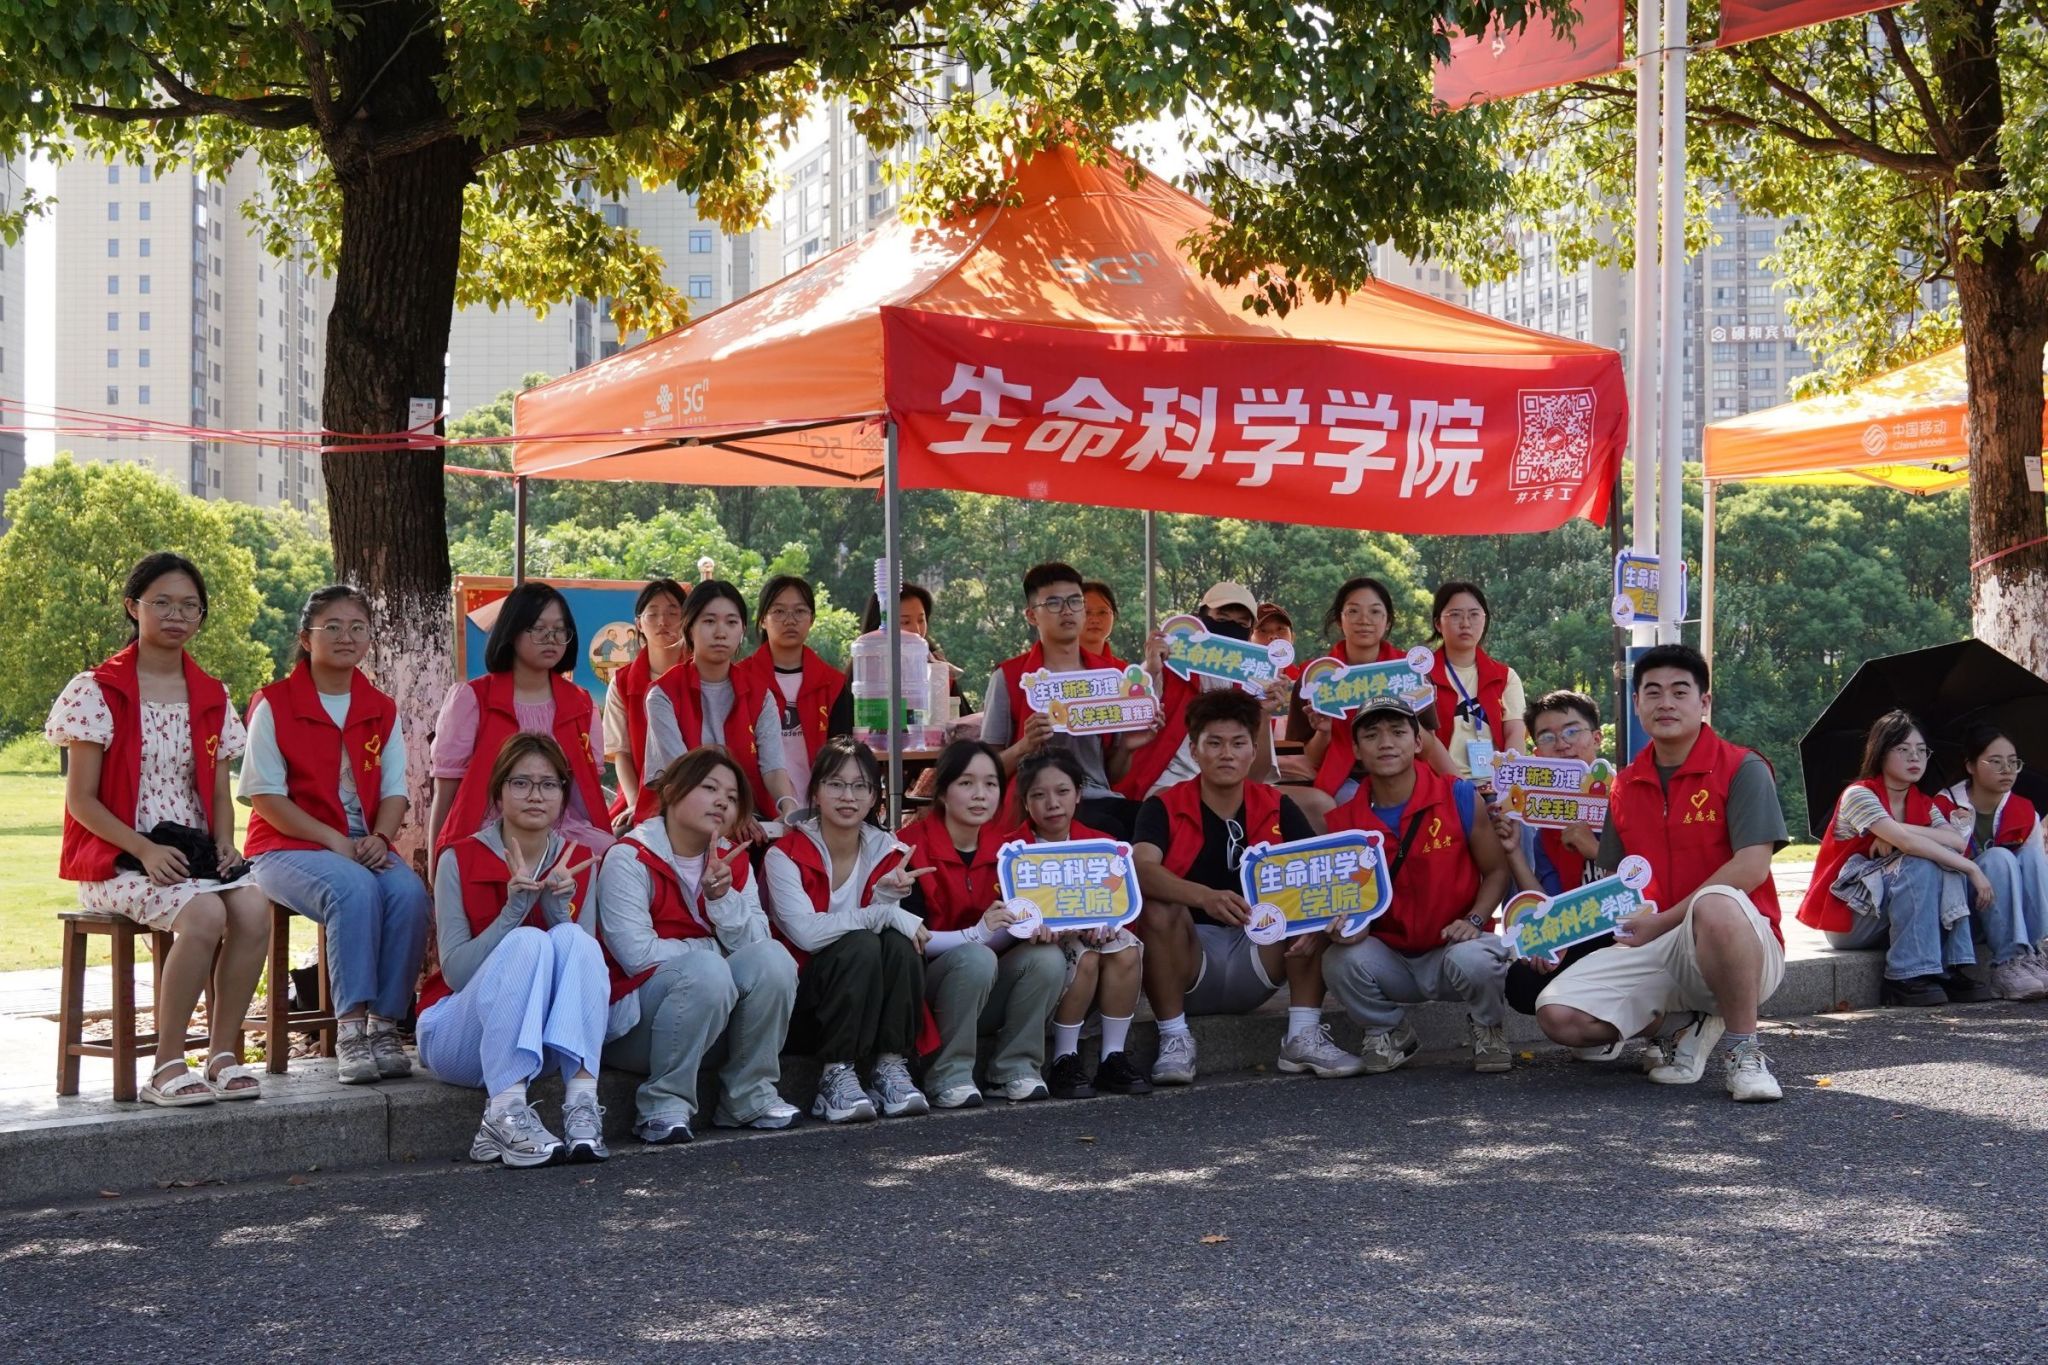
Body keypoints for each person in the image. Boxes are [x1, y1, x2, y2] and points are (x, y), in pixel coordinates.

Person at [48, 552, 269, 1106]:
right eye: (162, 603)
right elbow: (81, 800)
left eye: (190, 606)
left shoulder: (211, 694)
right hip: (118, 857)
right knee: (206, 913)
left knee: (253, 907)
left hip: (191, 852)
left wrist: (225, 843)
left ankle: (221, 1055)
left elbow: (217, 793)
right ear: (134, 607)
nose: (177, 615)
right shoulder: (98, 690)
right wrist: (144, 849)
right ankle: (166, 1066)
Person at [1533, 645, 1790, 1103]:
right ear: (1636, 704)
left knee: (1716, 902)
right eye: (1652, 692)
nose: (1665, 703)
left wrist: (1665, 920)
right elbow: (1618, 881)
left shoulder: (1742, 768)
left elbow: (1751, 868)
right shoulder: (1625, 784)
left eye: (1679, 691)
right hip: (1659, 944)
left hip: (1739, 941)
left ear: (1704, 702)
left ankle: (1743, 1051)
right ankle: (1684, 1025)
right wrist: (1550, 932)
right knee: (1558, 1014)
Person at [241, 585, 431, 1085]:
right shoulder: (274, 704)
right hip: (284, 846)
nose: (346, 636)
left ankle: (384, 1026)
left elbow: (394, 791)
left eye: (357, 627)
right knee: (352, 888)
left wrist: (381, 838)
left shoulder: (379, 707)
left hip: (361, 844)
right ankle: (350, 1030)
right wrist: (334, 841)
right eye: (333, 627)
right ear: (306, 638)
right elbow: (265, 797)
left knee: (409, 893)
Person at [1131, 688, 1364, 1086]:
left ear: (1254, 751)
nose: (1227, 754)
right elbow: (1139, 869)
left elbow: (1319, 874)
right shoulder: (1163, 805)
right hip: (1190, 961)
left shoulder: (1277, 804)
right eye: (1214, 743)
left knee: (1311, 896)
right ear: (1194, 749)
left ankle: (1303, 1034)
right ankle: (1174, 1038)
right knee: (1158, 904)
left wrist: (1315, 920)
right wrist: (1203, 896)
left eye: (1238, 743)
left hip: (1261, 954)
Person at [416, 734, 610, 1166]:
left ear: (563, 795)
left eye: (549, 784)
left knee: (576, 940)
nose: (536, 795)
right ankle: (503, 1112)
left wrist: (557, 912)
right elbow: (456, 975)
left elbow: (579, 979)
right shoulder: (458, 858)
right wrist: (512, 914)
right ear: (499, 793)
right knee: (528, 939)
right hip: (457, 1036)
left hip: (538, 1043)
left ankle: (581, 1105)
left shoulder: (578, 861)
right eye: (521, 783)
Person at [599, 747, 800, 1143]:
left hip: (713, 1024)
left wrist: (722, 901)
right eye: (709, 788)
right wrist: (714, 953)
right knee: (708, 969)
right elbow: (638, 956)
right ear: (672, 791)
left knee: (774, 959)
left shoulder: (733, 859)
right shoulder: (629, 857)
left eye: (732, 796)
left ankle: (748, 1096)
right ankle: (662, 1105)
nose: (722, 801)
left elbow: (758, 946)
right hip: (636, 1030)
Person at [1324, 699, 1514, 1073]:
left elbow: (1496, 871)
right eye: (1372, 735)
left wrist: (1475, 920)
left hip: (1455, 948)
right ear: (1356, 750)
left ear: (1417, 742)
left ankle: (1488, 1026)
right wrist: (1347, 927)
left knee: (1476, 960)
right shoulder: (1342, 823)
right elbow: (1344, 902)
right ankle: (1390, 1031)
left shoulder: (1458, 796)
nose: (1386, 743)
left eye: (1398, 732)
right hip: (1391, 957)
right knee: (1338, 960)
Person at [763, 738, 934, 1123]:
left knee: (898, 943)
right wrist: (881, 913)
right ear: (815, 791)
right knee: (861, 944)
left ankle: (890, 1066)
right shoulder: (784, 855)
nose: (848, 796)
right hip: (804, 1002)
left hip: (869, 1003)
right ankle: (834, 1075)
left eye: (860, 786)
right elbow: (806, 934)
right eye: (836, 784)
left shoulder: (889, 851)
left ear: (874, 797)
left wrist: (886, 903)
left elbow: (900, 933)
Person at [899, 741, 1067, 1106]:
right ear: (941, 792)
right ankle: (948, 1074)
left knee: (1048, 957)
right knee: (976, 956)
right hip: (924, 994)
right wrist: (976, 935)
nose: (980, 795)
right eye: (966, 783)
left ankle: (1013, 1068)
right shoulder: (907, 848)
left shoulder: (1012, 852)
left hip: (984, 987)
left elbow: (1012, 928)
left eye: (991, 784)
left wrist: (1032, 927)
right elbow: (908, 937)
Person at [1796, 712, 1994, 1003]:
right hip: (1852, 919)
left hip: (1895, 914)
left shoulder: (1924, 803)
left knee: (1943, 859)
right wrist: (1972, 869)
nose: (1915, 757)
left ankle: (1951, 966)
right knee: (1922, 862)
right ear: (1880, 753)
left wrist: (1896, 829)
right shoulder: (1859, 795)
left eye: (1922, 750)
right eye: (1903, 749)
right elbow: (1908, 845)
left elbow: (1955, 840)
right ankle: (1904, 976)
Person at [429, 581, 611, 855]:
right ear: (512, 631)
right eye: (538, 629)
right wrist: (436, 863)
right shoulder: (473, 699)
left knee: (611, 854)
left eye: (560, 630)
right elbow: (446, 790)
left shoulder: (581, 704)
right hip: (490, 835)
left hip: (561, 831)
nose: (551, 638)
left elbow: (584, 792)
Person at [1011, 750, 1151, 1099]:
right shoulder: (1013, 851)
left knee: (1126, 949)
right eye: (1038, 795)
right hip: (1040, 950)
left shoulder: (1103, 847)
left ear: (1078, 794)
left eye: (1062, 791)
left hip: (1094, 940)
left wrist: (1110, 922)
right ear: (1025, 802)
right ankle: (1064, 1058)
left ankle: (1113, 1056)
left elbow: (1121, 903)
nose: (1052, 803)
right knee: (1084, 955)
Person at [981, 562, 1146, 839]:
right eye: (1054, 603)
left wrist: (1127, 748)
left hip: (1099, 797)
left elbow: (1113, 774)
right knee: (1111, 831)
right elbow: (987, 770)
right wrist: (1024, 746)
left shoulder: (1109, 678)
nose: (1067, 611)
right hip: (1038, 806)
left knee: (1153, 825)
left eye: (1075, 601)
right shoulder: (1010, 677)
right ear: (1031, 615)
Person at [1492, 691, 1615, 1025]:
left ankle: (1669, 1026)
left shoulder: (1626, 795)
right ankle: (1599, 1027)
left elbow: (1649, 886)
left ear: (1597, 738)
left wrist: (1595, 850)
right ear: (1537, 753)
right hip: (1584, 929)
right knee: (1522, 982)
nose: (1562, 744)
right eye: (1547, 737)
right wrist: (1513, 851)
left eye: (1572, 731)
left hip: (1633, 931)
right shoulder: (1545, 820)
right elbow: (1548, 903)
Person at [642, 579, 797, 829]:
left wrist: (788, 805)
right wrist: (732, 815)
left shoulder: (761, 695)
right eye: (709, 621)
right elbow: (683, 775)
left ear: (742, 630)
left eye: (731, 622)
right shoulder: (662, 694)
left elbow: (773, 767)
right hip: (684, 820)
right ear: (689, 627)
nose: (720, 632)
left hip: (751, 819)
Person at [1289, 577, 1452, 811]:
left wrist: (1410, 713)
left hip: (1404, 776)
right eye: (1353, 611)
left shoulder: (1410, 672)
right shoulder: (1315, 678)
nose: (1364, 620)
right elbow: (1312, 759)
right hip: (1342, 783)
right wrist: (1324, 733)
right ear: (1339, 620)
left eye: (1375, 612)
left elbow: (1426, 749)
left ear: (1388, 621)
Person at [1945, 725, 2048, 997]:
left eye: (2013, 762)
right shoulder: (1945, 805)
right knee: (1999, 858)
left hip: (2009, 915)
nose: (2007, 770)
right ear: (1970, 766)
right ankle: (2008, 963)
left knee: (2034, 856)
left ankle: (2037, 953)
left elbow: (2034, 873)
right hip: (1961, 914)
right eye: (1996, 762)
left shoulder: (2023, 809)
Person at [734, 575, 845, 806]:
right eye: (779, 611)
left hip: (821, 810)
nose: (790, 620)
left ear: (812, 619)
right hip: (756, 812)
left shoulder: (834, 684)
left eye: (800, 611)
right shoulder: (739, 680)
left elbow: (844, 759)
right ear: (762, 620)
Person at [604, 578, 690, 834]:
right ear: (639, 624)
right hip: (640, 794)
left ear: (688, 619)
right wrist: (634, 803)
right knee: (614, 839)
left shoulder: (703, 674)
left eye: (673, 612)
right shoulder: (622, 683)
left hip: (698, 792)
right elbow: (621, 753)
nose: (663, 621)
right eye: (653, 614)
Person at [1426, 581, 1528, 780]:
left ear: (1484, 620)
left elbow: (1515, 734)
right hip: (1440, 784)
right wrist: (1461, 787)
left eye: (1474, 615)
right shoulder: (1422, 676)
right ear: (1438, 623)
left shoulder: (1505, 677)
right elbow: (1422, 738)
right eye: (1455, 615)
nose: (1465, 623)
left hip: (1496, 784)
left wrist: (1507, 783)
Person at [1081, 580, 1126, 667]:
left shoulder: (1121, 671)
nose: (1095, 620)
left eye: (1102, 612)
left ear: (1114, 616)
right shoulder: (1056, 667)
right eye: (1086, 612)